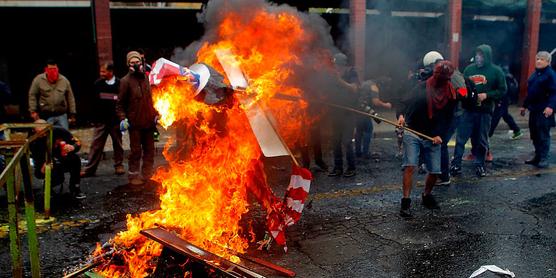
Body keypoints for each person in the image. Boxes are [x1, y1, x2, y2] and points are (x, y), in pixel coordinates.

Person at [397, 61, 455, 217]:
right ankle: (406, 201)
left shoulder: (449, 93)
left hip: (433, 135)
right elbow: (403, 102)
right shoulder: (422, 87)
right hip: (413, 130)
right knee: (410, 166)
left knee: (435, 170)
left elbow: (449, 119)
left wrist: (440, 135)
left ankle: (426, 195)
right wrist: (401, 116)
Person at [451, 44, 506, 178]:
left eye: (481, 55)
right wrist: (463, 95)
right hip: (468, 110)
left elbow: (502, 90)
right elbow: (462, 85)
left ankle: (480, 165)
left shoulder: (496, 71)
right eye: (477, 54)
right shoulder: (469, 69)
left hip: (485, 111)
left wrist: (487, 95)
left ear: (487, 56)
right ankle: (456, 164)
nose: (478, 57)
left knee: (481, 140)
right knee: (461, 138)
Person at [117, 51, 159, 185]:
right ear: (128, 64)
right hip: (134, 124)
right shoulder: (125, 81)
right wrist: (123, 118)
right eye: (132, 63)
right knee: (135, 151)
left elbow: (153, 99)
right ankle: (133, 176)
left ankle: (147, 174)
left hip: (149, 123)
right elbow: (120, 104)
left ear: (142, 62)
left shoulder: (147, 78)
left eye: (137, 62)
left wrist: (156, 113)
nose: (135, 65)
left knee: (150, 151)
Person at [80, 62, 125, 177]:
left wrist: (122, 118)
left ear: (111, 72)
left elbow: (123, 102)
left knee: (118, 144)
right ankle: (89, 169)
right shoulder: (98, 84)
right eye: (101, 71)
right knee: (96, 145)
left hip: (115, 121)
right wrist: (94, 118)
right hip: (101, 121)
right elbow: (93, 102)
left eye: (103, 71)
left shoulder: (120, 84)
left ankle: (119, 165)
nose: (101, 73)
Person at [30, 119, 85, 199]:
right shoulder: (33, 140)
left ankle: (75, 188)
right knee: (58, 178)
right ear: (33, 131)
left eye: (45, 131)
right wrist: (42, 166)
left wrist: (73, 147)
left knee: (75, 159)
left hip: (61, 157)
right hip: (45, 161)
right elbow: (37, 158)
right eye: (40, 133)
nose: (44, 135)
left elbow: (77, 142)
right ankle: (48, 187)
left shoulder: (59, 130)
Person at [520, 51, 556, 168]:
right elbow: (531, 92)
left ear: (548, 62)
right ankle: (537, 156)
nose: (539, 61)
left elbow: (554, 93)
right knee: (534, 134)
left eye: (542, 59)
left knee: (543, 135)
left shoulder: (550, 75)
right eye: (537, 59)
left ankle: (544, 158)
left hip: (545, 110)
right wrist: (524, 106)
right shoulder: (535, 74)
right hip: (534, 109)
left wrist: (551, 106)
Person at [328, 53, 358, 177]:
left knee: (346, 141)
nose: (336, 68)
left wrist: (339, 81)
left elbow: (354, 89)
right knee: (335, 141)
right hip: (336, 113)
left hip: (348, 113)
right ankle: (338, 167)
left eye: (338, 65)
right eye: (335, 65)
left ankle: (351, 168)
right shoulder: (332, 75)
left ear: (343, 65)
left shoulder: (351, 73)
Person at [28, 59, 77, 129]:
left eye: (55, 69)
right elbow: (32, 95)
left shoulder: (64, 80)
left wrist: (72, 113)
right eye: (50, 69)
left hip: (61, 114)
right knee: (47, 136)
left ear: (58, 69)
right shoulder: (38, 80)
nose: (53, 71)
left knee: (64, 135)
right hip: (45, 115)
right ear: (46, 70)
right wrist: (33, 111)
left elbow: (70, 97)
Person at [354, 80, 392, 159]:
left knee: (359, 131)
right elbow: (376, 102)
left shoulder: (364, 84)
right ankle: (365, 153)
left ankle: (358, 152)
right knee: (368, 130)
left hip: (357, 110)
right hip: (365, 111)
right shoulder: (374, 86)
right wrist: (386, 105)